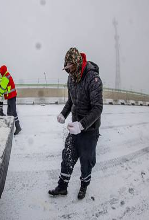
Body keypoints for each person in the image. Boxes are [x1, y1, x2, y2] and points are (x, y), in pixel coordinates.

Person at [48, 47, 103, 199]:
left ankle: (84, 186)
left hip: (89, 129)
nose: (68, 71)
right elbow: (71, 100)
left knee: (86, 161)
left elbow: (98, 108)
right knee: (67, 156)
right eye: (66, 68)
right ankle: (62, 187)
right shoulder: (71, 77)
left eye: (70, 67)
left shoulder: (93, 78)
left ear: (77, 63)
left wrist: (82, 125)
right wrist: (63, 114)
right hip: (74, 127)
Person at [0, 65, 22, 135]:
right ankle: (10, 127)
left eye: (0, 72)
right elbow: (1, 81)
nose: (0, 73)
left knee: (13, 112)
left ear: (2, 71)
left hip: (11, 97)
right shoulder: (6, 75)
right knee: (9, 112)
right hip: (10, 97)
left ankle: (18, 127)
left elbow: (3, 88)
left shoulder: (5, 78)